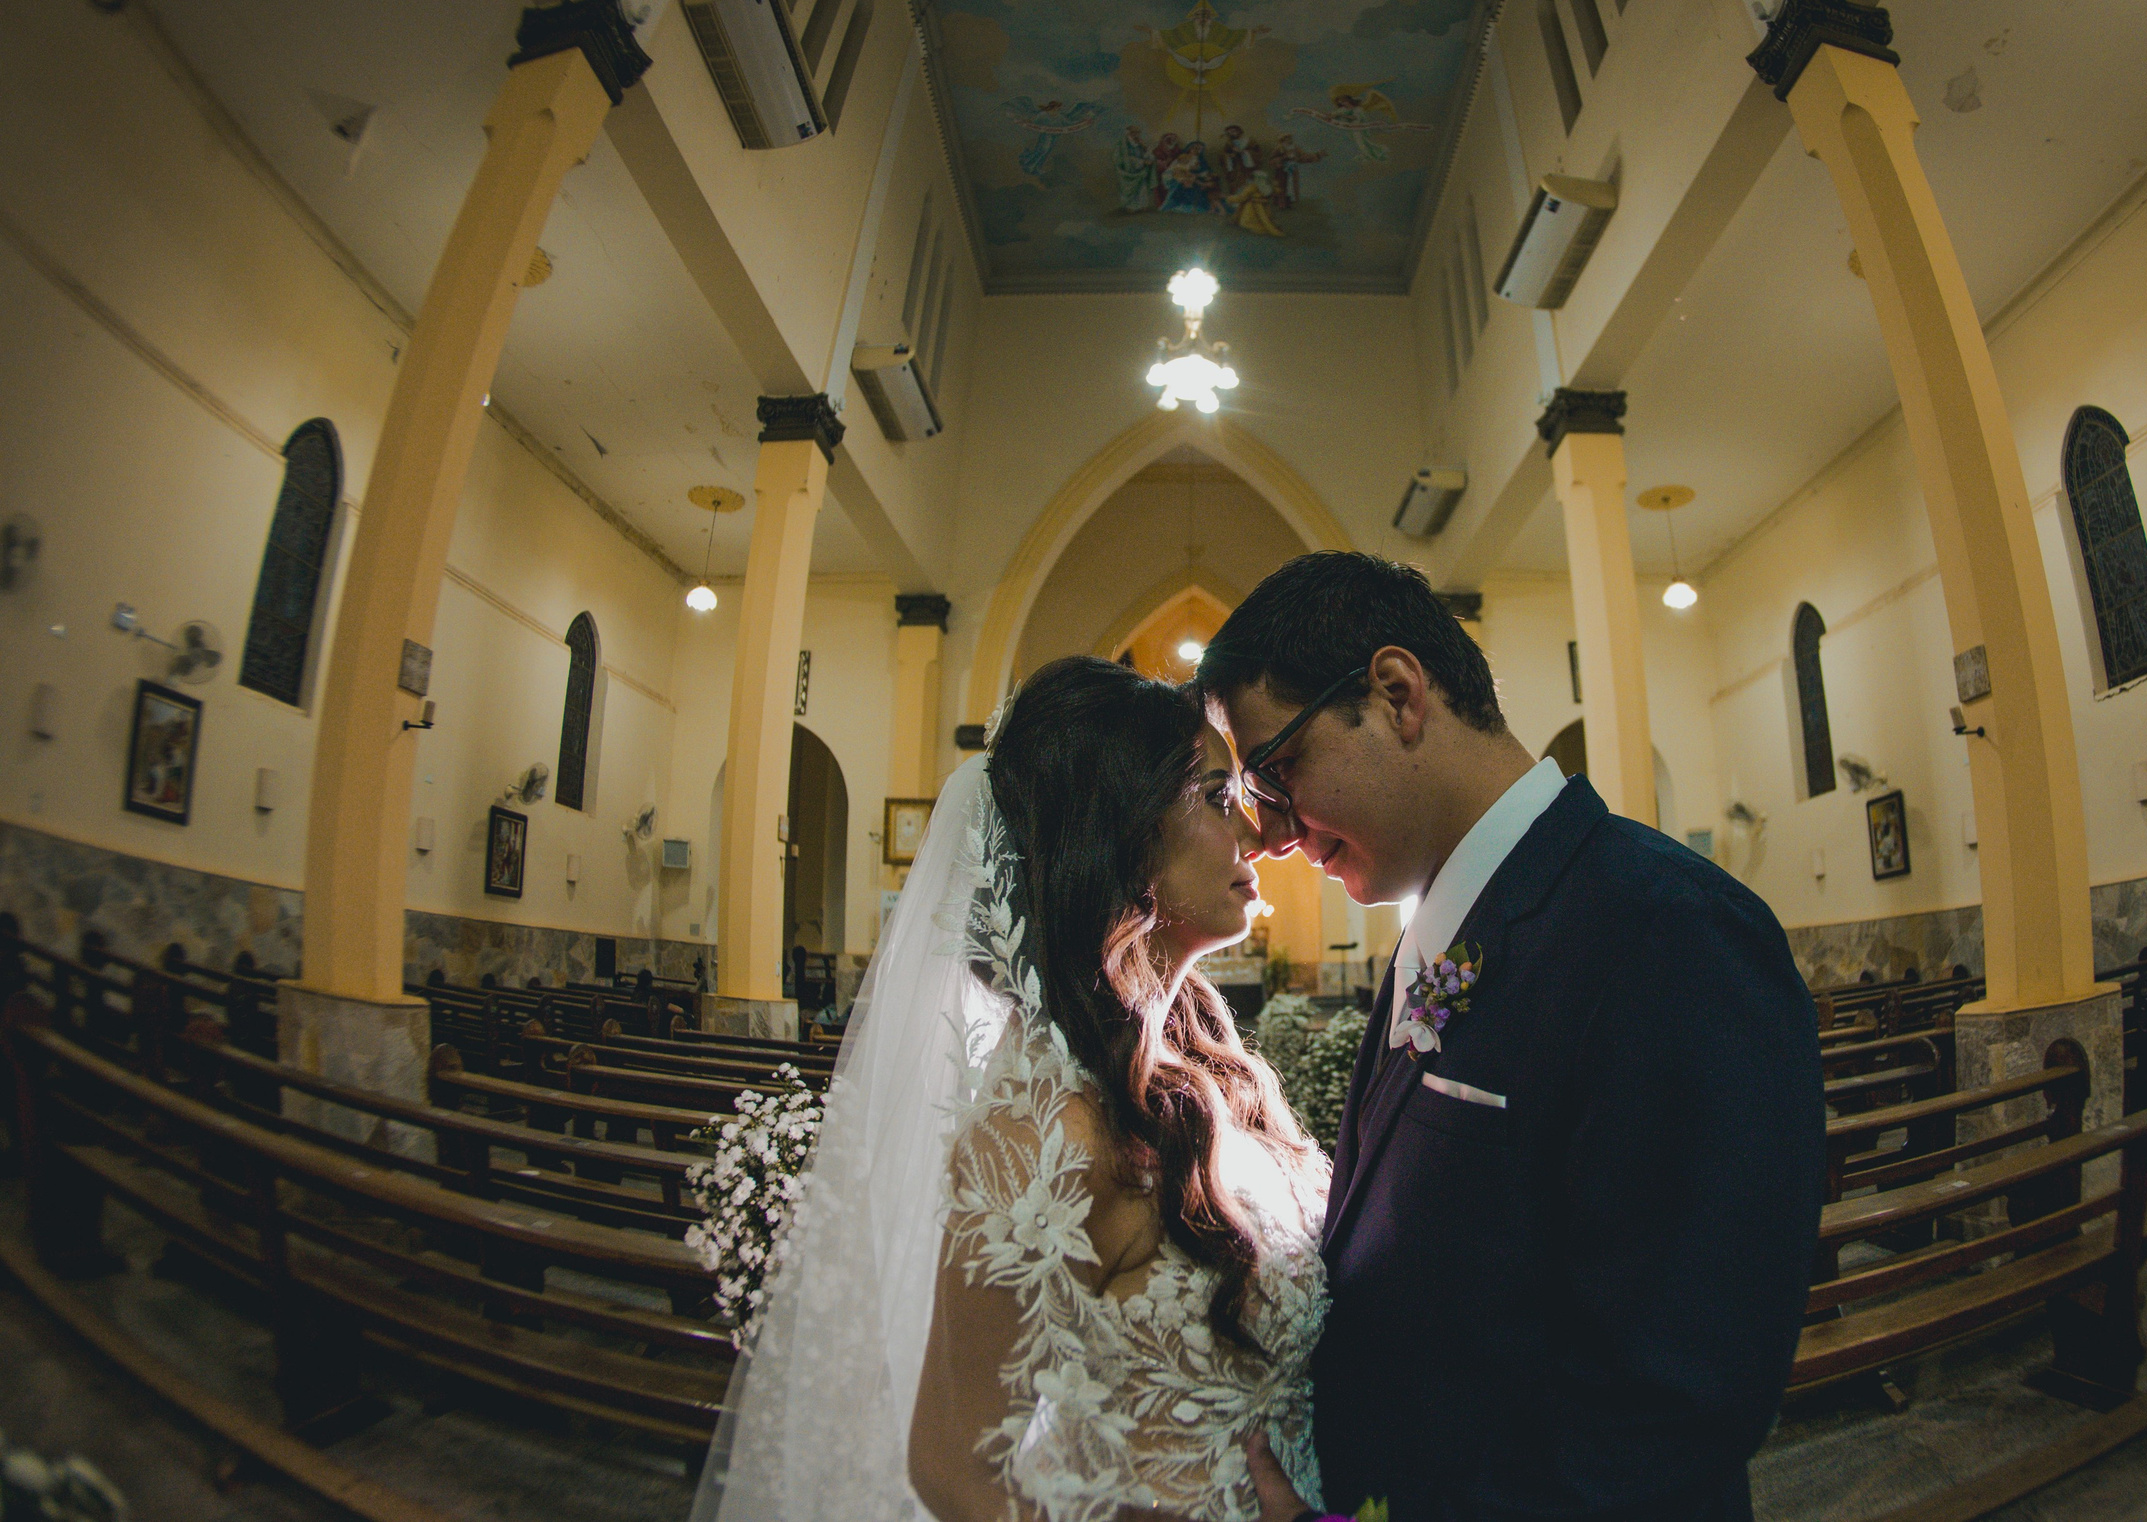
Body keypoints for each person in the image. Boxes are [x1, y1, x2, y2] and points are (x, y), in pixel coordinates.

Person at [1197, 552, 1826, 1522]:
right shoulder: (1440, 925)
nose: (1272, 834)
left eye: (1277, 771)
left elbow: (1672, 1407)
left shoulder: (1668, 930)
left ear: (1397, 695)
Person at [691, 656, 1330, 1522]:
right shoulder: (1047, 1137)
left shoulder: (1208, 1067)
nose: (1253, 835)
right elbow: (952, 1469)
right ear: (1121, 832)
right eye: (1216, 797)